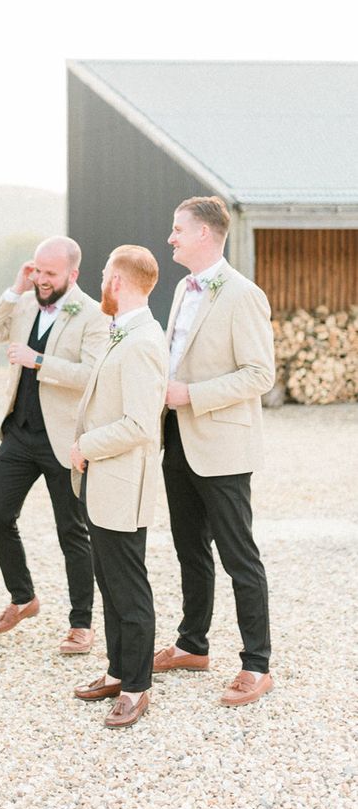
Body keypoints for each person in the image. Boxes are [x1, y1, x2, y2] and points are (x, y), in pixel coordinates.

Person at [156, 195, 275, 706]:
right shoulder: (183, 290)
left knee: (238, 557)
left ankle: (256, 664)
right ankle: (192, 644)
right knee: (188, 549)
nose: (171, 238)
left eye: (178, 229)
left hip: (222, 444)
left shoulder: (242, 294)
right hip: (177, 439)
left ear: (204, 233)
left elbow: (260, 375)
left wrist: (191, 395)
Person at [0, 236, 106, 653]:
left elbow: (92, 375)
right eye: (38, 270)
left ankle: (81, 623)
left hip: (63, 440)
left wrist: (40, 361)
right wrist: (15, 289)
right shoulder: (25, 301)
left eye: (51, 274)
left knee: (72, 531)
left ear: (73, 274)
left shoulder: (93, 314)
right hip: (19, 432)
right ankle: (23, 596)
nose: (42, 279)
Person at [71, 245, 168, 728]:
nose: (101, 281)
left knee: (129, 589)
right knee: (107, 581)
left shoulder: (144, 341)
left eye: (105, 273)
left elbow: (140, 424)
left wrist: (86, 443)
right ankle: (116, 669)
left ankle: (137, 686)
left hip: (123, 482)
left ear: (119, 282)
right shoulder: (121, 333)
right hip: (101, 481)